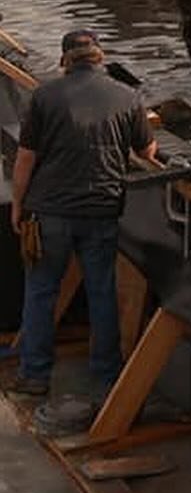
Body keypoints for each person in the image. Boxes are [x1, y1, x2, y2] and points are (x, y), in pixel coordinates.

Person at [10, 30, 157, 397]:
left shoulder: (44, 96)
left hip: (49, 212)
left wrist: (18, 206)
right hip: (102, 210)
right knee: (102, 292)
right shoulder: (127, 96)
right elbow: (148, 150)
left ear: (64, 62)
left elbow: (25, 159)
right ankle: (107, 376)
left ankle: (35, 376)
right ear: (100, 58)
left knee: (41, 291)